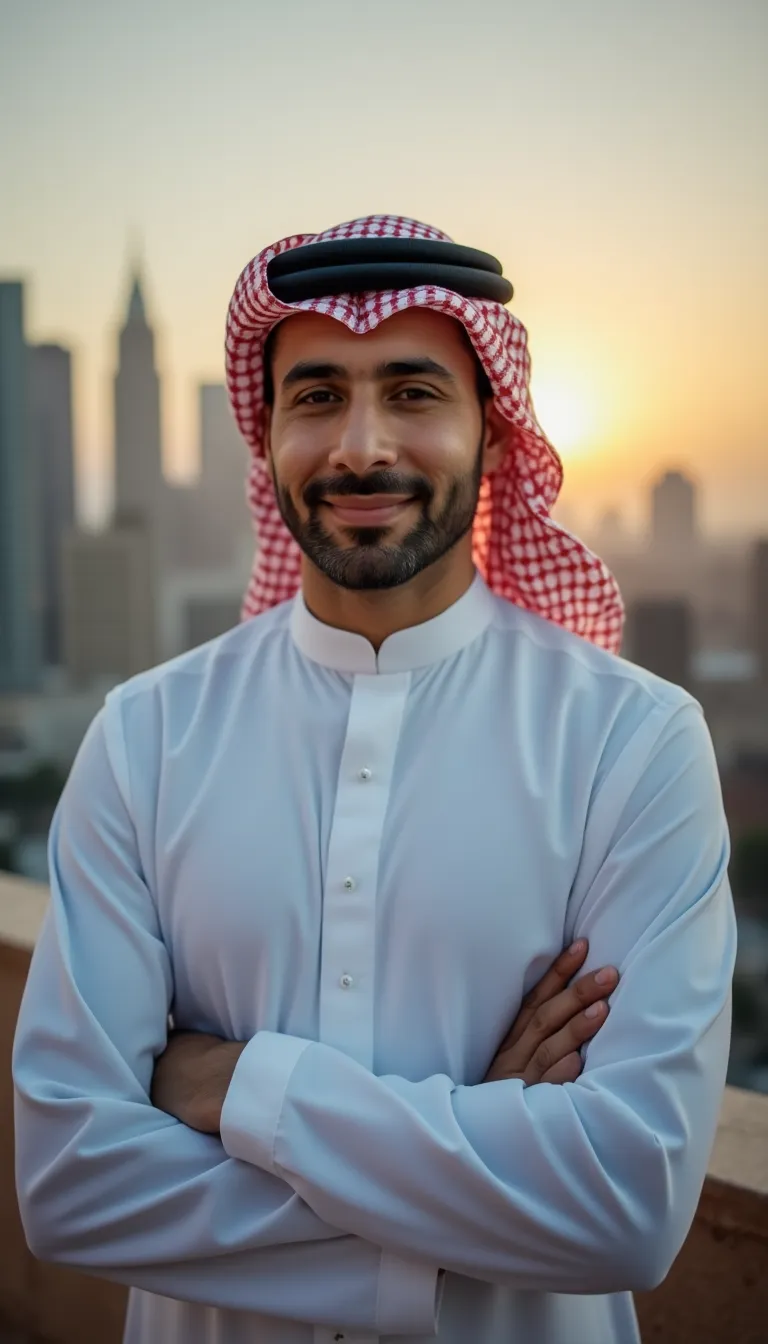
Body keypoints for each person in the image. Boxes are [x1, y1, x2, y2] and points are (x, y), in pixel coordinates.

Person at [14, 215, 736, 1344]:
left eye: (412, 392)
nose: (360, 446)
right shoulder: (146, 738)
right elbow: (72, 1185)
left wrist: (234, 1088)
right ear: (262, 436)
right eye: (315, 397)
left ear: (496, 435)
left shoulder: (630, 744)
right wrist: (488, 1151)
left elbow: (624, 1208)